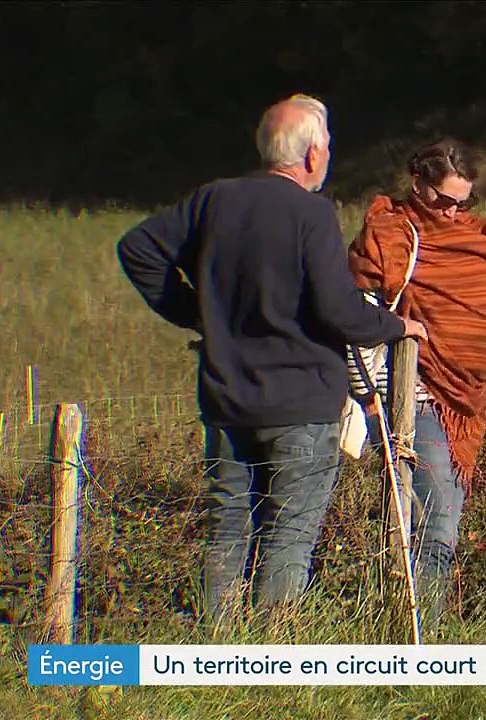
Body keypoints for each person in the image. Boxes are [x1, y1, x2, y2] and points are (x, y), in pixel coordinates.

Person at [116, 94, 427, 623]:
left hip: (227, 399)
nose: (328, 156)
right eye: (326, 147)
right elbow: (336, 308)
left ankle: (220, 646)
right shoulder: (311, 213)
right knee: (289, 535)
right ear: (310, 156)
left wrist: (196, 312)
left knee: (227, 528)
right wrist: (397, 325)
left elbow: (138, 249)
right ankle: (273, 657)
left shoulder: (213, 200)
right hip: (301, 401)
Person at [347, 137, 486, 634]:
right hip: (413, 397)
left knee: (440, 516)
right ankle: (420, 633)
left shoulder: (476, 237)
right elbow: (356, 317)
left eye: (463, 202)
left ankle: (414, 625)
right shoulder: (389, 235)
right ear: (418, 184)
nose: (452, 212)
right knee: (436, 519)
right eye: (443, 200)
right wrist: (372, 395)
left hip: (464, 402)